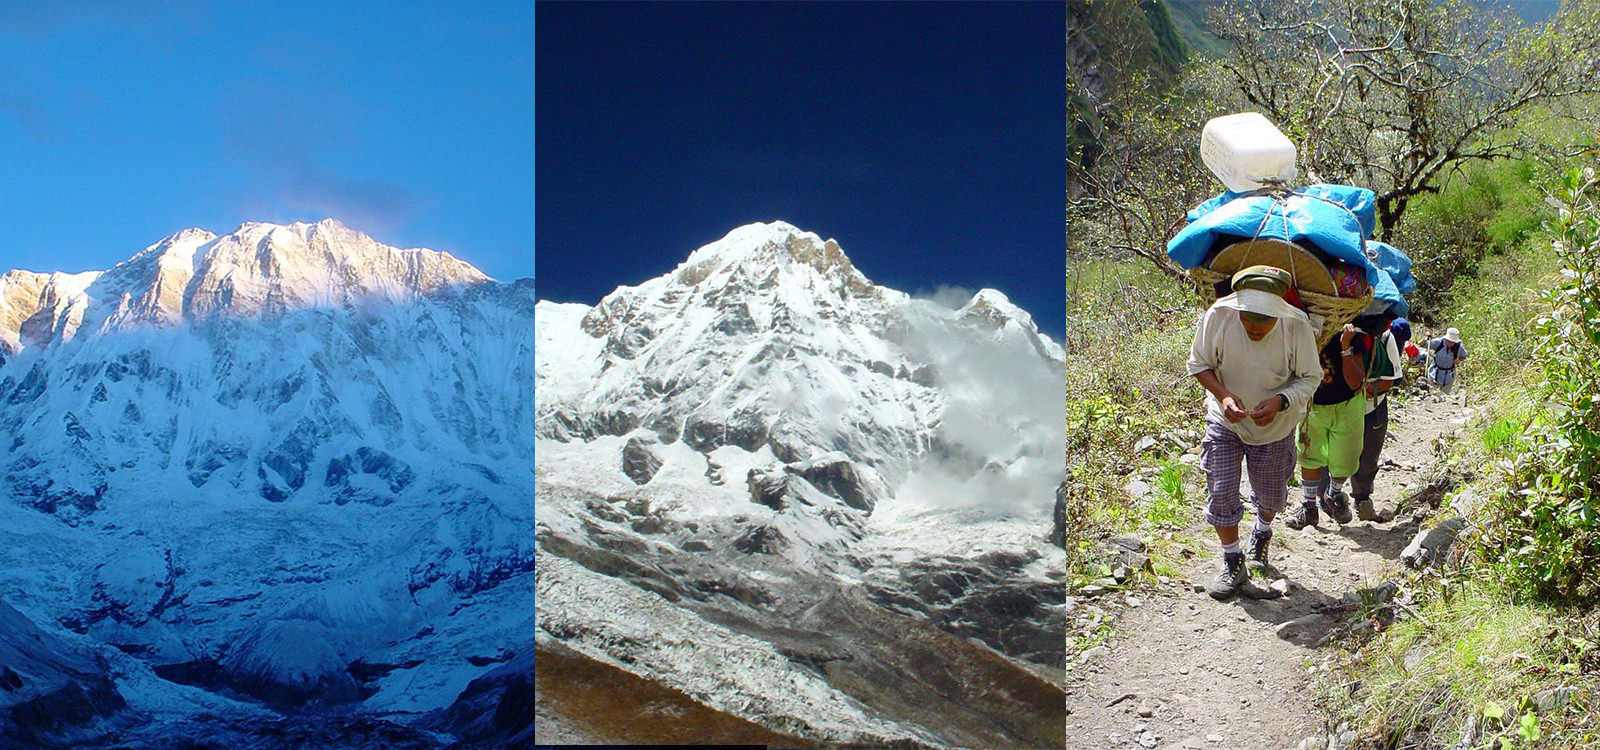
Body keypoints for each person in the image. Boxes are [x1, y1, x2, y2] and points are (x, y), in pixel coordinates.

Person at [1186, 265, 1323, 600]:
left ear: (1279, 313)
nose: (1255, 327)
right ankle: (1232, 560)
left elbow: (1310, 377)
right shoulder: (1218, 317)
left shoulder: (1296, 326)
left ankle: (1262, 533)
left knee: (1271, 494)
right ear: (1238, 307)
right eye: (1249, 319)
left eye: (1265, 321)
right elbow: (1199, 364)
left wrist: (1280, 401)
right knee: (1220, 491)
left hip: (1276, 428)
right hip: (1224, 421)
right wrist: (1224, 396)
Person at [1285, 320, 1369, 531]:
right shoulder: (1300, 329)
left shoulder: (1352, 332)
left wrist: (1345, 347)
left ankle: (1334, 492)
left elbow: (1355, 382)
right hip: (1313, 405)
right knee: (1309, 454)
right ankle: (1309, 507)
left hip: (1347, 405)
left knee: (1346, 459)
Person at [1349, 317, 1404, 522]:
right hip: (1348, 406)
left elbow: (1391, 381)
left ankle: (1361, 499)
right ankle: (1329, 496)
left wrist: (1363, 389)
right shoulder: (1343, 334)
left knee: (1369, 455)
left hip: (1373, 407)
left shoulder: (1386, 337)